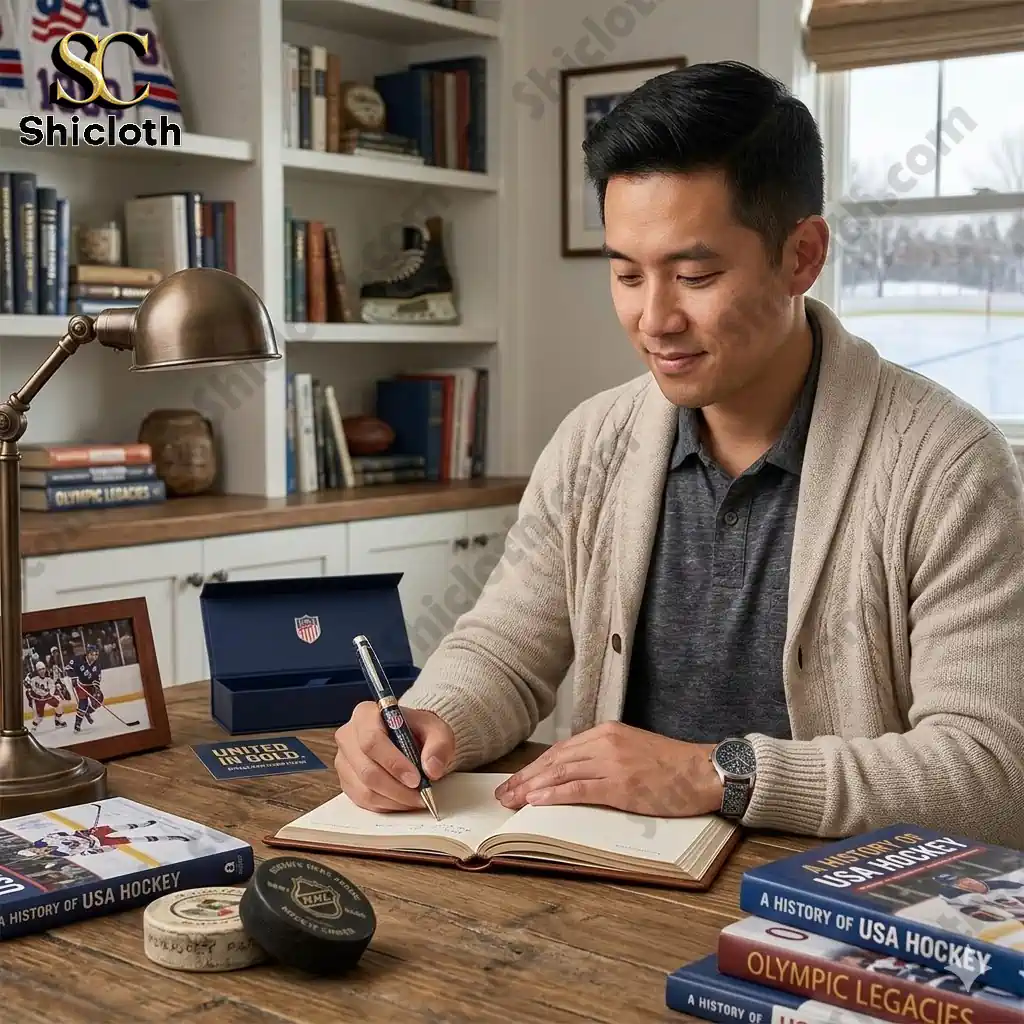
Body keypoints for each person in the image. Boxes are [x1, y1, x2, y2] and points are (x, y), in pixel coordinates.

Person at [333, 61, 1024, 844]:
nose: (653, 319)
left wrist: (717, 774)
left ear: (802, 255)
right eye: (627, 274)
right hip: (612, 896)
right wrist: (430, 718)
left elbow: (990, 772)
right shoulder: (594, 442)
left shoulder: (949, 463)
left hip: (841, 914)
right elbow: (505, 648)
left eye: (694, 275)